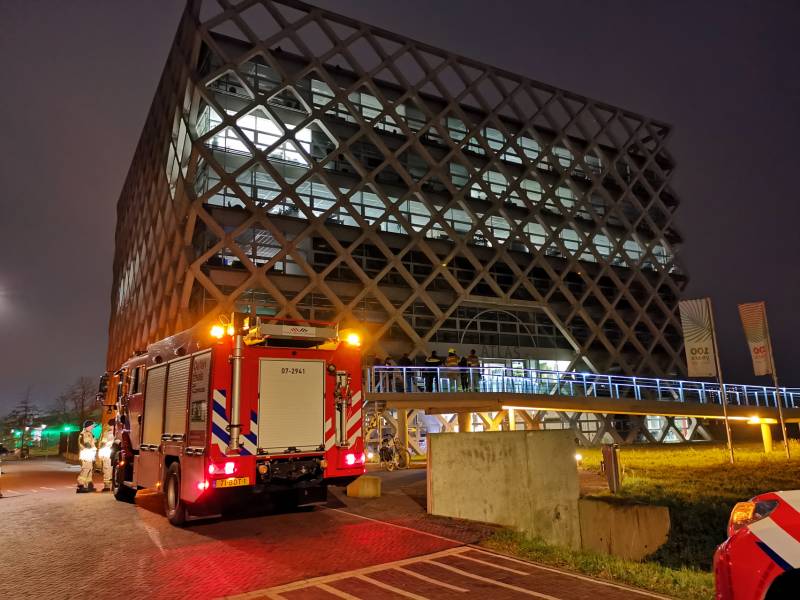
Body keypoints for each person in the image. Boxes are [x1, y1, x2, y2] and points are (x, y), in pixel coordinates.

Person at [76, 420, 97, 493]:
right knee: (85, 469)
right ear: (88, 426)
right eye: (92, 426)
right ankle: (80, 486)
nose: (93, 427)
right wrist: (92, 447)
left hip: (89, 454)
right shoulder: (85, 434)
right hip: (86, 454)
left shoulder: (89, 433)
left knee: (89, 469)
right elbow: (87, 444)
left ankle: (88, 485)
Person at [98, 418, 116, 492]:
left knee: (106, 469)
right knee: (112, 469)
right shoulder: (118, 432)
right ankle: (113, 486)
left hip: (106, 452)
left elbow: (103, 443)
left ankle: (107, 486)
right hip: (113, 454)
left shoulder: (107, 433)